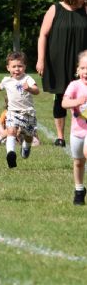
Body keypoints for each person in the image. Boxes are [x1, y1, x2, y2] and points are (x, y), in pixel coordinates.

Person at [36, 0, 87, 147]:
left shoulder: (85, 9)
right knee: (60, 96)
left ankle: (82, 133)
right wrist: (41, 60)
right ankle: (60, 137)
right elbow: (43, 35)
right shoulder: (55, 9)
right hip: (57, 61)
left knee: (84, 95)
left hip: (81, 62)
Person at [0, 51, 39, 168]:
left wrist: (29, 89)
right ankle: (11, 154)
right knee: (11, 131)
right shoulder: (6, 80)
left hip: (28, 113)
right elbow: (0, 86)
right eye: (14, 66)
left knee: (28, 136)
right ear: (8, 68)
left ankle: (26, 147)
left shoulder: (28, 79)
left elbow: (37, 91)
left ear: (25, 67)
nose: (17, 69)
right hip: (13, 112)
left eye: (20, 66)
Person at [61, 49, 87, 205]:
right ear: (78, 69)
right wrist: (77, 102)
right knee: (78, 162)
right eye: (83, 68)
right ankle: (79, 190)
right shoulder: (74, 85)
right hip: (77, 131)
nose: (86, 72)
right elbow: (64, 103)